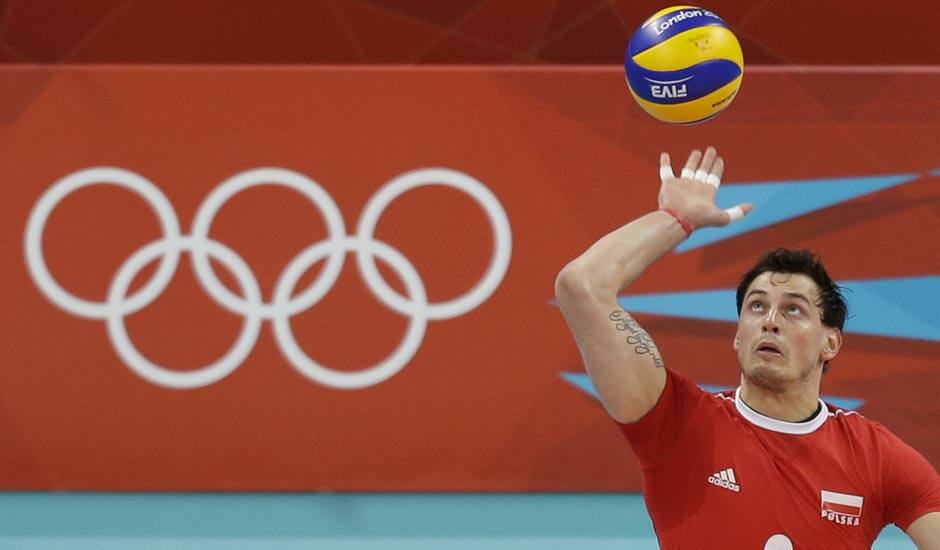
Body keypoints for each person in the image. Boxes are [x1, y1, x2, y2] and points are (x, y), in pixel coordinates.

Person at [554, 147, 940, 549]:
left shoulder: (874, 456)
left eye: (794, 309)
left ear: (830, 342)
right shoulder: (679, 425)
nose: (770, 320)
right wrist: (678, 219)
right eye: (757, 306)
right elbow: (582, 286)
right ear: (738, 335)